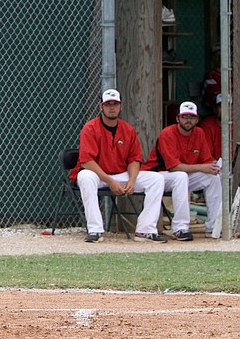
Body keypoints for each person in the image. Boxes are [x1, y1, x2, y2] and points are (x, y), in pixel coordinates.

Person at [70, 89, 167, 243]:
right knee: (86, 177)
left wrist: (132, 180)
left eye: (115, 104)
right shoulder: (90, 128)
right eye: (108, 104)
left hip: (120, 174)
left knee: (156, 179)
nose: (112, 108)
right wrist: (110, 181)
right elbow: (87, 162)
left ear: (121, 106)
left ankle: (146, 230)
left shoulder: (128, 130)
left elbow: (134, 159)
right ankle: (95, 230)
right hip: (98, 175)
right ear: (101, 107)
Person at [143, 101, 222, 240]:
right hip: (158, 176)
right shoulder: (167, 133)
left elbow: (206, 161)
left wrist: (213, 166)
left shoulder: (199, 133)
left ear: (197, 119)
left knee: (213, 177)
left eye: (191, 117)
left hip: (183, 176)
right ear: (177, 118)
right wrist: (203, 167)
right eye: (184, 117)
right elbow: (173, 167)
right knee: (181, 176)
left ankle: (214, 227)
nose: (188, 120)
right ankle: (180, 228)